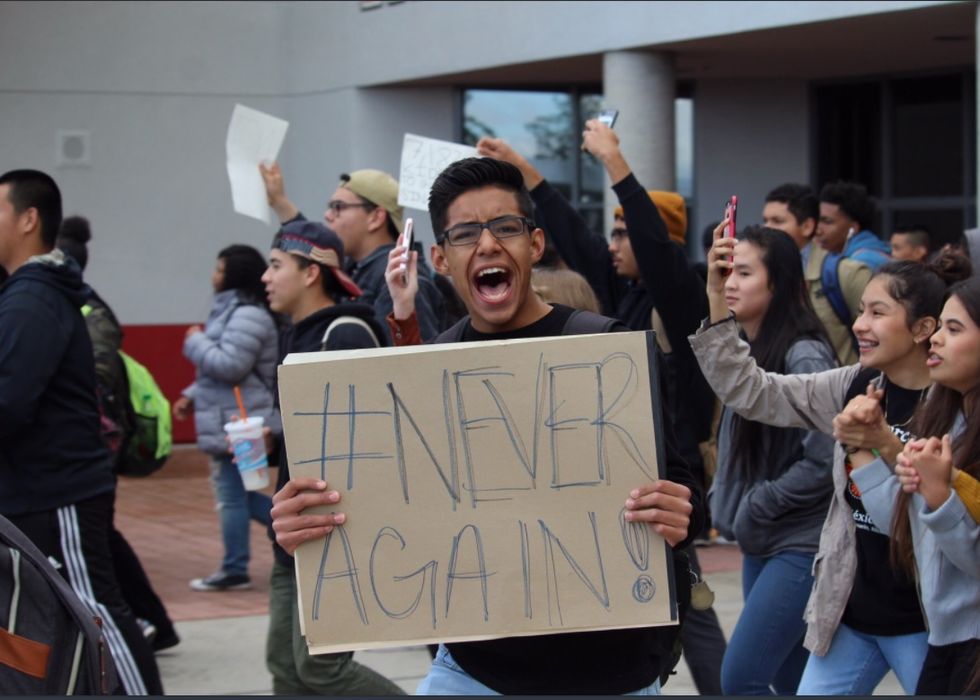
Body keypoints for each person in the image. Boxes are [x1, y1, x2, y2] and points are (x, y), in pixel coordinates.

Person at [271, 157, 705, 695]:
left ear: (535, 244)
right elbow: (397, 502)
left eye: (506, 227)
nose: (488, 244)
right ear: (441, 258)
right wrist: (302, 526)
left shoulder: (607, 351)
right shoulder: (433, 362)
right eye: (465, 233)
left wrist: (680, 510)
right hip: (473, 670)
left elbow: (685, 487)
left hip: (611, 674)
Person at [477, 126, 726, 694]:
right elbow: (577, 237)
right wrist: (523, 169)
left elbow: (657, 251)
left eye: (623, 232)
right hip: (613, 474)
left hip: (666, 483)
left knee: (685, 602)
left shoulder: (680, 299)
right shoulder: (621, 298)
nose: (611, 244)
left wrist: (615, 163)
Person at [689, 249, 970, 695]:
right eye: (860, 311)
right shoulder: (856, 384)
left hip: (924, 621)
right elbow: (753, 391)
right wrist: (716, 299)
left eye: (878, 313)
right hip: (853, 612)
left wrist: (873, 445)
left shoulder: (955, 407)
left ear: (923, 329)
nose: (859, 325)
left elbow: (919, 519)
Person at [0, 169, 162, 694]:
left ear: (29, 219)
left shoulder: (33, 299)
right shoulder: (25, 293)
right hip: (39, 490)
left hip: (59, 491)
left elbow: (9, 400)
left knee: (97, 612)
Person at [258, 219, 404, 695]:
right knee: (285, 666)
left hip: (333, 529)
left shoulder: (344, 335)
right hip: (293, 530)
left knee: (323, 668)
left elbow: (369, 437)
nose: (265, 276)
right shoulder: (296, 334)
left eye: (275, 265)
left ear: (310, 273)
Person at [700, 223, 837, 694]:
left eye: (745, 273)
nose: (731, 283)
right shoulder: (750, 347)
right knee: (790, 679)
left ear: (777, 283)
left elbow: (826, 457)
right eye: (728, 273)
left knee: (741, 677)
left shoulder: (805, 354)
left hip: (799, 543)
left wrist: (759, 502)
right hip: (762, 538)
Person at [842, 275, 980, 695]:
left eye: (953, 329)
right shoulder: (943, 416)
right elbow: (903, 527)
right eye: (939, 326)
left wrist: (940, 496)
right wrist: (860, 446)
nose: (936, 339)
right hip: (945, 636)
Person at [56, 215, 180, 652]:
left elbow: (98, 379)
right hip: (83, 447)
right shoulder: (69, 306)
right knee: (101, 538)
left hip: (93, 446)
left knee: (98, 542)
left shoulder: (90, 312)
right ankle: (151, 622)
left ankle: (144, 625)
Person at [175, 244, 280, 592]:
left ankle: (235, 567)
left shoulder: (247, 315)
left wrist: (194, 341)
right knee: (240, 494)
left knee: (233, 496)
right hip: (233, 416)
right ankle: (290, 528)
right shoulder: (235, 311)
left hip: (241, 421)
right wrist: (191, 395)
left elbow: (230, 365)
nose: (213, 276)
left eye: (219, 269)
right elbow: (221, 369)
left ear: (233, 275)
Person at [259, 162, 446, 342]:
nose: (327, 215)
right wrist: (280, 203)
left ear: (376, 217)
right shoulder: (359, 267)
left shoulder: (402, 278)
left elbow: (416, 357)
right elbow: (310, 249)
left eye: (338, 207)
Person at [764, 183, 871, 365]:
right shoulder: (760, 272)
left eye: (777, 221)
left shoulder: (846, 273)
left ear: (807, 226)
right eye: (765, 220)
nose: (767, 228)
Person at [817, 181, 891, 271]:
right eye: (817, 221)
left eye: (827, 222)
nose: (817, 231)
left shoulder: (863, 263)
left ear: (853, 228)